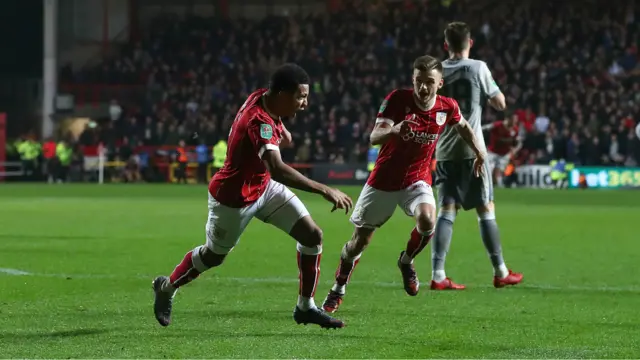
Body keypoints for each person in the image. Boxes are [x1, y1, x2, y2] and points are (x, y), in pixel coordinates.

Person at [152, 64, 352, 329]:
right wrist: (325, 189)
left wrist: (282, 128)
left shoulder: (264, 97)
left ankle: (305, 307)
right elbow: (278, 169)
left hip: (263, 188)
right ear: (281, 94)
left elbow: (274, 127)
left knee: (312, 236)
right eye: (300, 97)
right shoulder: (259, 121)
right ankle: (166, 287)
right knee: (213, 256)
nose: (305, 104)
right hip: (234, 198)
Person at [321, 55, 486, 313]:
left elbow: (463, 125)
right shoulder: (398, 99)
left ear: (440, 83)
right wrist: (395, 130)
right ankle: (338, 289)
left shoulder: (447, 107)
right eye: (418, 81)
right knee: (359, 242)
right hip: (384, 180)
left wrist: (479, 152)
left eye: (429, 82)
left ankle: (406, 261)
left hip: (417, 179)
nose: (423, 87)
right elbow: (374, 136)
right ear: (413, 79)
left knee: (428, 220)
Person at [431, 21, 523, 290]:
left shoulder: (436, 71)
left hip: (444, 150)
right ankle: (500, 271)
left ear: (446, 45)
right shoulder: (478, 68)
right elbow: (500, 102)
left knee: (446, 210)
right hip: (473, 151)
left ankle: (438, 274)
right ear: (470, 43)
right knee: (485, 208)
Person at [483, 113, 523, 187]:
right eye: (514, 120)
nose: (515, 122)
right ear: (509, 119)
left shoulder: (515, 129)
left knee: (499, 171)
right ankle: (490, 185)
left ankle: (499, 185)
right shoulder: (499, 125)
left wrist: (515, 150)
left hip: (504, 154)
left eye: (516, 120)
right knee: (488, 171)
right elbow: (485, 128)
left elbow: (518, 142)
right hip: (492, 152)